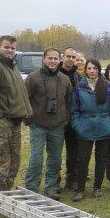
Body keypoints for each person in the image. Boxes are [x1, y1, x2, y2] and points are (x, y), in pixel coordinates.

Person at [0, 35, 32, 191]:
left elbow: (19, 93)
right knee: (1, 159)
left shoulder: (12, 65)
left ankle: (6, 192)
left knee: (15, 160)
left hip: (15, 120)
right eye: (7, 47)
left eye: (13, 48)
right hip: (2, 121)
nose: (10, 50)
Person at [24, 47, 73, 199]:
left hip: (57, 126)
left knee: (55, 158)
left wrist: (66, 119)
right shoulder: (33, 78)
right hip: (38, 125)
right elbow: (24, 100)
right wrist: (29, 120)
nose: (53, 61)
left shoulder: (65, 80)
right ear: (44, 59)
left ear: (60, 60)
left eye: (55, 59)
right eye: (50, 58)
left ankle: (51, 187)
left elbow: (69, 101)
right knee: (36, 157)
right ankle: (31, 188)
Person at [70, 59, 110, 201]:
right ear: (86, 70)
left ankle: (97, 187)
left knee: (101, 159)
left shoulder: (108, 87)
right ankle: (80, 190)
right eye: (89, 68)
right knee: (83, 159)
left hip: (104, 127)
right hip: (84, 128)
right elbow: (74, 110)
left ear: (99, 70)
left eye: (95, 68)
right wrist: (77, 125)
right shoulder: (80, 87)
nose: (92, 71)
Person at [59, 47, 81, 191]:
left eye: (73, 57)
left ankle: (71, 180)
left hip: (73, 118)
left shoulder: (77, 75)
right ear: (63, 57)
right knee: (55, 153)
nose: (71, 59)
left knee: (74, 152)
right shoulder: (56, 72)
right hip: (58, 118)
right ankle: (54, 182)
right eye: (68, 56)